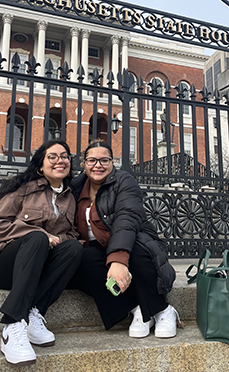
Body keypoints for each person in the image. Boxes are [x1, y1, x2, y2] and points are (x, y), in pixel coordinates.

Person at [0, 140, 83, 366]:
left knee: (74, 248)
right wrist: (41, 234)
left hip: (36, 268)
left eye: (65, 156)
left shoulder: (69, 197)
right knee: (36, 237)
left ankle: (34, 312)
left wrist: (57, 240)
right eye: (52, 157)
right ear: (40, 165)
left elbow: (72, 234)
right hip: (2, 264)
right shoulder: (22, 189)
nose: (60, 161)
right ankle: (13, 323)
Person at [69, 140, 179, 338]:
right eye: (92, 160)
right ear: (83, 164)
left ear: (112, 163)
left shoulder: (124, 181)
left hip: (134, 241)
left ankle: (162, 309)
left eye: (104, 160)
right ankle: (136, 308)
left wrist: (119, 258)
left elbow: (127, 218)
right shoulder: (75, 188)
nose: (98, 165)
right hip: (96, 248)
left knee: (135, 250)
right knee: (82, 259)